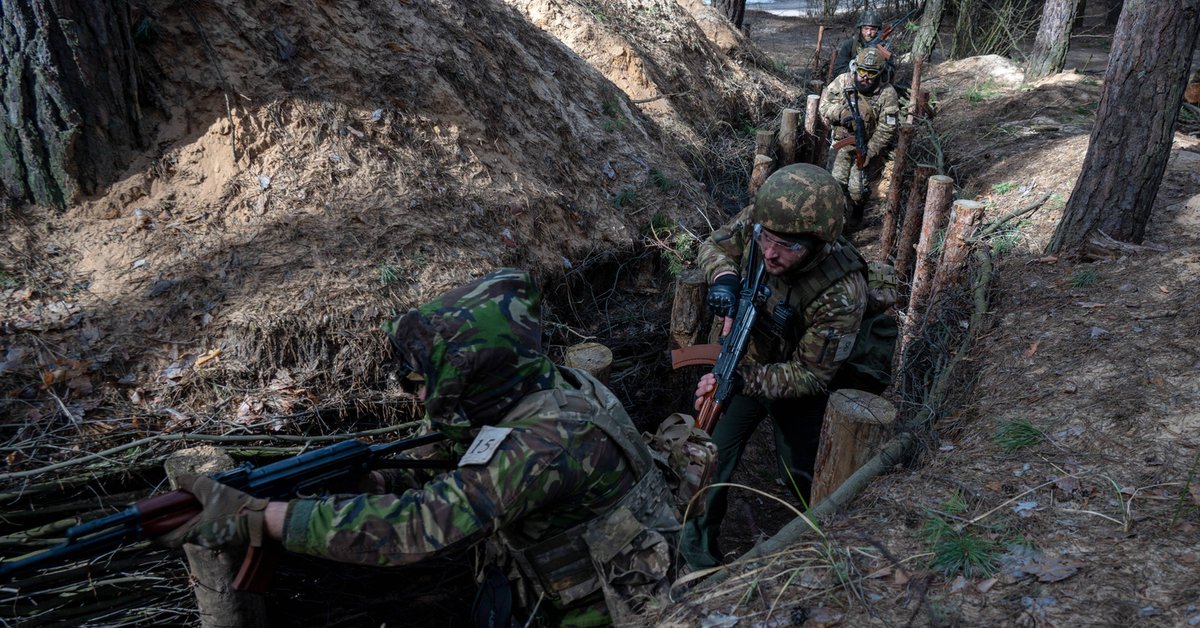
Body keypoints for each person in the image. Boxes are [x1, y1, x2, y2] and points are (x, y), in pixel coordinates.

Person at [160, 269, 680, 627]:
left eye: (427, 381)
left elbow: (413, 530)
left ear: (475, 372)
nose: (420, 396)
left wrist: (262, 518)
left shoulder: (544, 443)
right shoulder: (548, 386)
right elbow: (467, 465)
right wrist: (383, 482)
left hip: (601, 611)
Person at [679, 164, 869, 571]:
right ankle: (697, 562)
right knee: (705, 457)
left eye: (787, 246)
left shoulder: (841, 293)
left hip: (798, 385)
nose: (769, 252)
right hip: (747, 361)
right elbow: (714, 244)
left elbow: (811, 375)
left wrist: (741, 381)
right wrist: (726, 277)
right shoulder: (764, 222)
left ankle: (812, 547)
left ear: (818, 244)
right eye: (766, 239)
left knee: (802, 471)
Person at [819, 46, 900, 227]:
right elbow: (824, 106)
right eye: (862, 71)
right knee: (835, 184)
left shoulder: (887, 93)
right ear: (855, 68)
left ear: (880, 73)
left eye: (871, 73)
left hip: (866, 147)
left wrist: (869, 152)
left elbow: (887, 129)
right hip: (840, 144)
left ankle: (856, 213)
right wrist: (841, 113)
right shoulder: (843, 82)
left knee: (858, 190)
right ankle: (835, 221)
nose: (865, 77)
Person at [831, 10, 883, 78]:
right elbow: (837, 71)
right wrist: (856, 67)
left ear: (877, 30)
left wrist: (881, 67)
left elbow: (891, 73)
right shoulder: (850, 44)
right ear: (860, 28)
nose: (868, 33)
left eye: (872, 29)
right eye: (866, 29)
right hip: (852, 82)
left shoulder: (883, 46)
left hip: (875, 82)